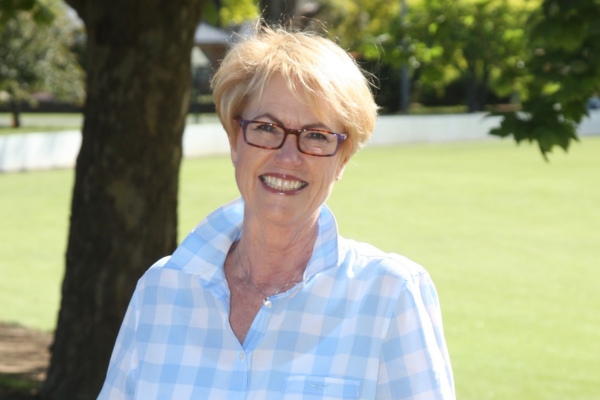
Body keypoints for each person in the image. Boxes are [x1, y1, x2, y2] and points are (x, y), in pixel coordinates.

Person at [98, 25, 455, 400]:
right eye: (267, 128)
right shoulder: (161, 290)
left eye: (316, 135)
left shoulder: (391, 294)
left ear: (343, 159)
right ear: (236, 141)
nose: (288, 157)